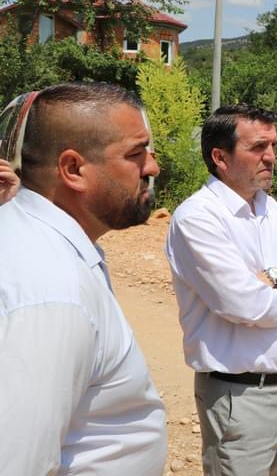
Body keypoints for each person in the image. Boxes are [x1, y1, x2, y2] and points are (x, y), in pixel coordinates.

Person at [0, 82, 167, 473]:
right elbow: (18, 462)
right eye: (136, 153)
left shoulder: (39, 241)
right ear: (73, 169)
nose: (152, 168)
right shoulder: (51, 292)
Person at [166, 104, 277, 476]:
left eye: (273, 145)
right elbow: (247, 305)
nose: (271, 156)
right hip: (240, 398)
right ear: (220, 157)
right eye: (259, 147)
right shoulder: (198, 218)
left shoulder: (269, 208)